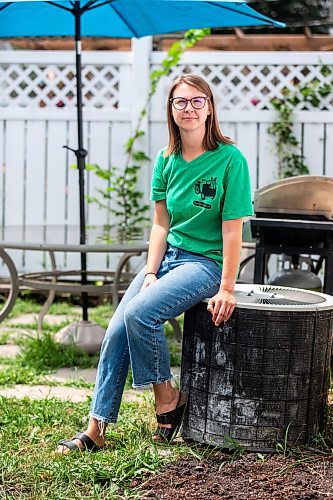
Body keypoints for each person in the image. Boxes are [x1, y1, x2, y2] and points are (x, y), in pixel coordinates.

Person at [57, 73, 253, 453]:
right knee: (115, 331)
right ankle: (96, 429)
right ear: (171, 111)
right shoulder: (166, 159)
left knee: (140, 316)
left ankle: (166, 398)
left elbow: (233, 232)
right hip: (168, 259)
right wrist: (149, 272)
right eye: (181, 102)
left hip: (205, 265)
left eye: (198, 101)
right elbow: (161, 224)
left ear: (210, 108)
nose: (190, 108)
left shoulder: (231, 160)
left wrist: (227, 287)